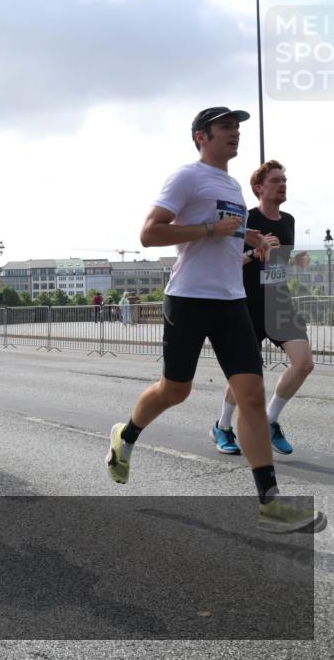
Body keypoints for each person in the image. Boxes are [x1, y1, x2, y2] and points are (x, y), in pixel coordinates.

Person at [106, 107, 324, 534]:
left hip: (231, 300)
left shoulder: (229, 184)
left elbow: (229, 231)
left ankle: (271, 502)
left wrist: (252, 235)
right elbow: (150, 234)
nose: (235, 134)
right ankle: (126, 435)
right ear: (201, 137)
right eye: (226, 128)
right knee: (175, 390)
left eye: (238, 128)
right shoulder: (187, 177)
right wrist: (210, 229)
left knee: (253, 398)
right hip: (188, 297)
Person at [211, 160, 314, 456]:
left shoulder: (289, 221)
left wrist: (294, 261)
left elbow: (275, 264)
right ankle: (223, 426)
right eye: (275, 180)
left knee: (304, 363)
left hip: (279, 302)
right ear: (259, 188)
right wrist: (255, 251)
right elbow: (224, 263)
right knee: (245, 375)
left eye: (284, 179)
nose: (283, 184)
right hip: (245, 305)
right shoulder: (244, 220)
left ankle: (269, 421)